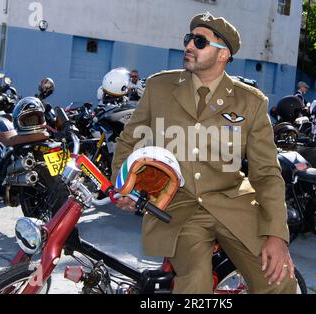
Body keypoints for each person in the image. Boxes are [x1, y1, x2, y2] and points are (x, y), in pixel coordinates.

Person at [111, 12, 297, 294]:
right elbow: (129, 142)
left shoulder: (250, 102)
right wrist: (125, 187)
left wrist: (276, 235)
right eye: (188, 39)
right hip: (176, 207)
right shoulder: (159, 87)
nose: (188, 46)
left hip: (233, 204)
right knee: (194, 284)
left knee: (279, 280)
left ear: (223, 55)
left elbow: (267, 173)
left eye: (200, 41)